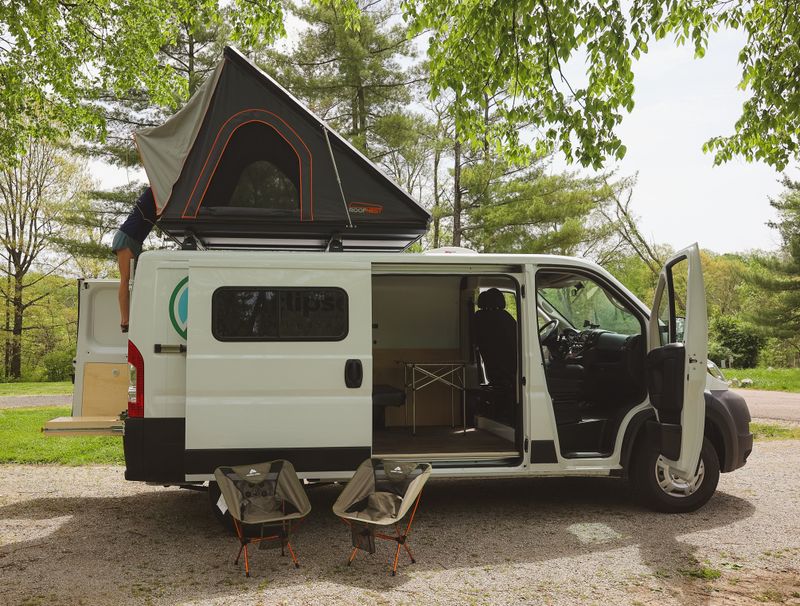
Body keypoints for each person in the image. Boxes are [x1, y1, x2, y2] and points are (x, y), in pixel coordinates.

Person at [112, 186, 157, 332]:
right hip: (126, 237)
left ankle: (137, 314)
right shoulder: (152, 192)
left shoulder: (160, 195)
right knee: (125, 279)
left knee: (137, 281)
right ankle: (124, 321)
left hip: (136, 242)